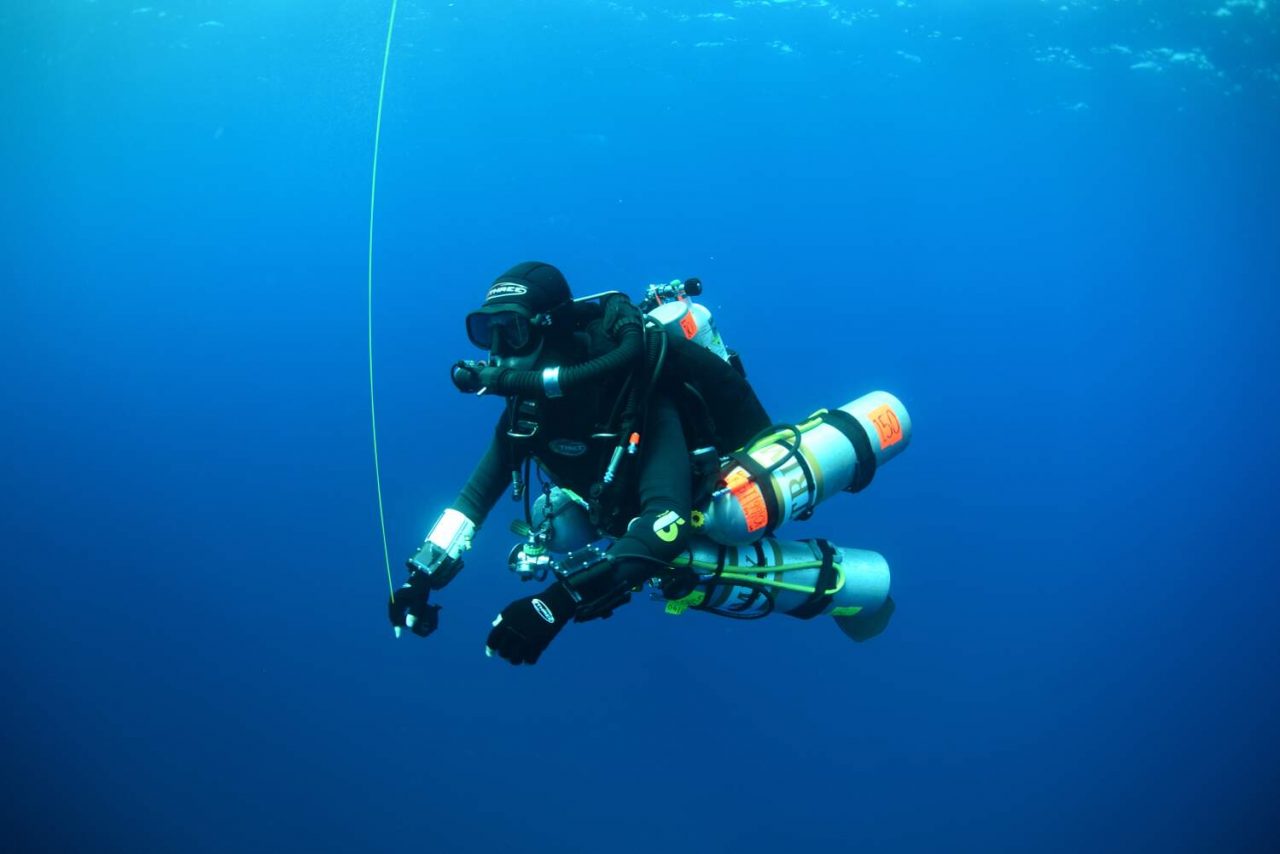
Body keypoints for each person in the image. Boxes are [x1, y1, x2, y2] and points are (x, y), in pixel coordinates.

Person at [387, 261, 771, 664]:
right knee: (550, 523)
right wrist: (422, 575)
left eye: (513, 331)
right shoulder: (527, 410)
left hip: (685, 509)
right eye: (487, 332)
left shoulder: (632, 393)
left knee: (705, 536)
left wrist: (560, 600)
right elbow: (475, 496)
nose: (498, 353)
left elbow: (668, 521)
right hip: (611, 504)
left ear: (550, 326)